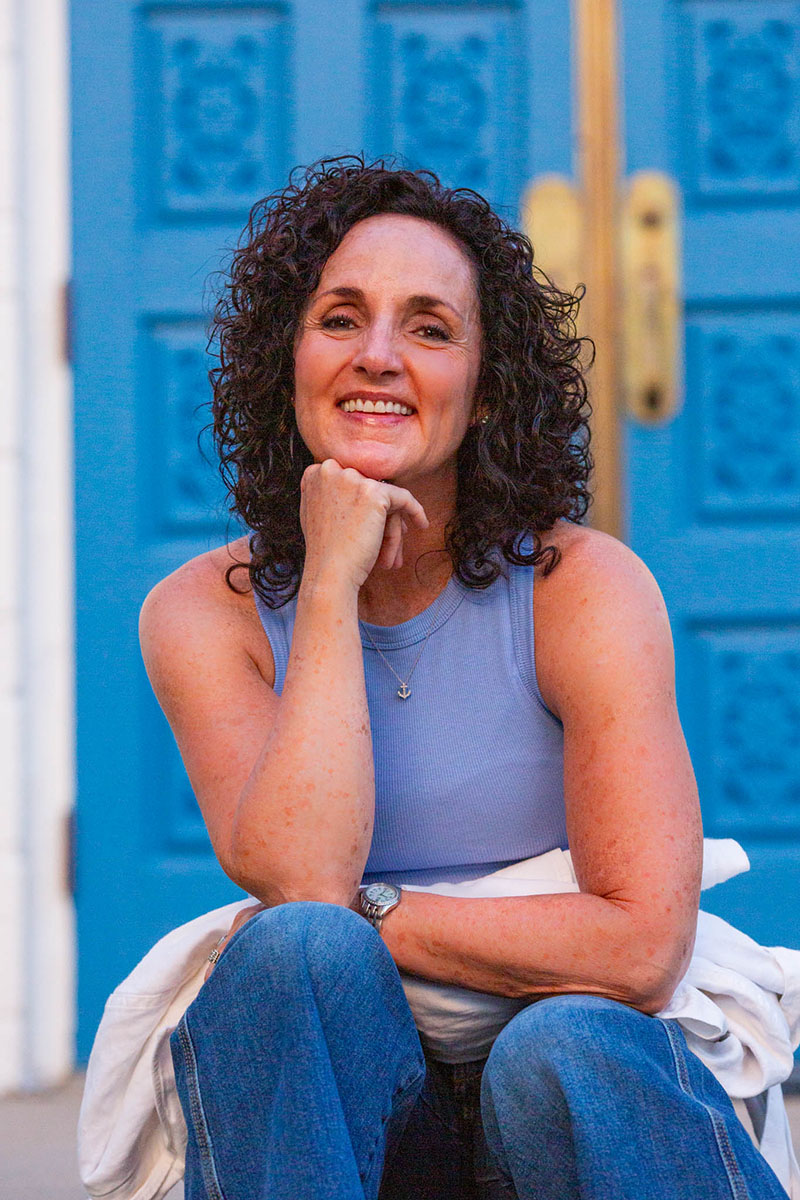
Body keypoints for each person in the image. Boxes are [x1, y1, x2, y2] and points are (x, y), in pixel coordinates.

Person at [138, 157, 787, 1200]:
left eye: (429, 328)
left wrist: (378, 909)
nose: (379, 357)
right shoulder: (202, 612)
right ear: (287, 360)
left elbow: (635, 949)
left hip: (568, 1111)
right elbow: (304, 888)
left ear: (484, 394)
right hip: (350, 1118)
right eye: (339, 319)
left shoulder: (581, 588)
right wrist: (330, 586)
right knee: (291, 958)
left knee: (564, 1045)